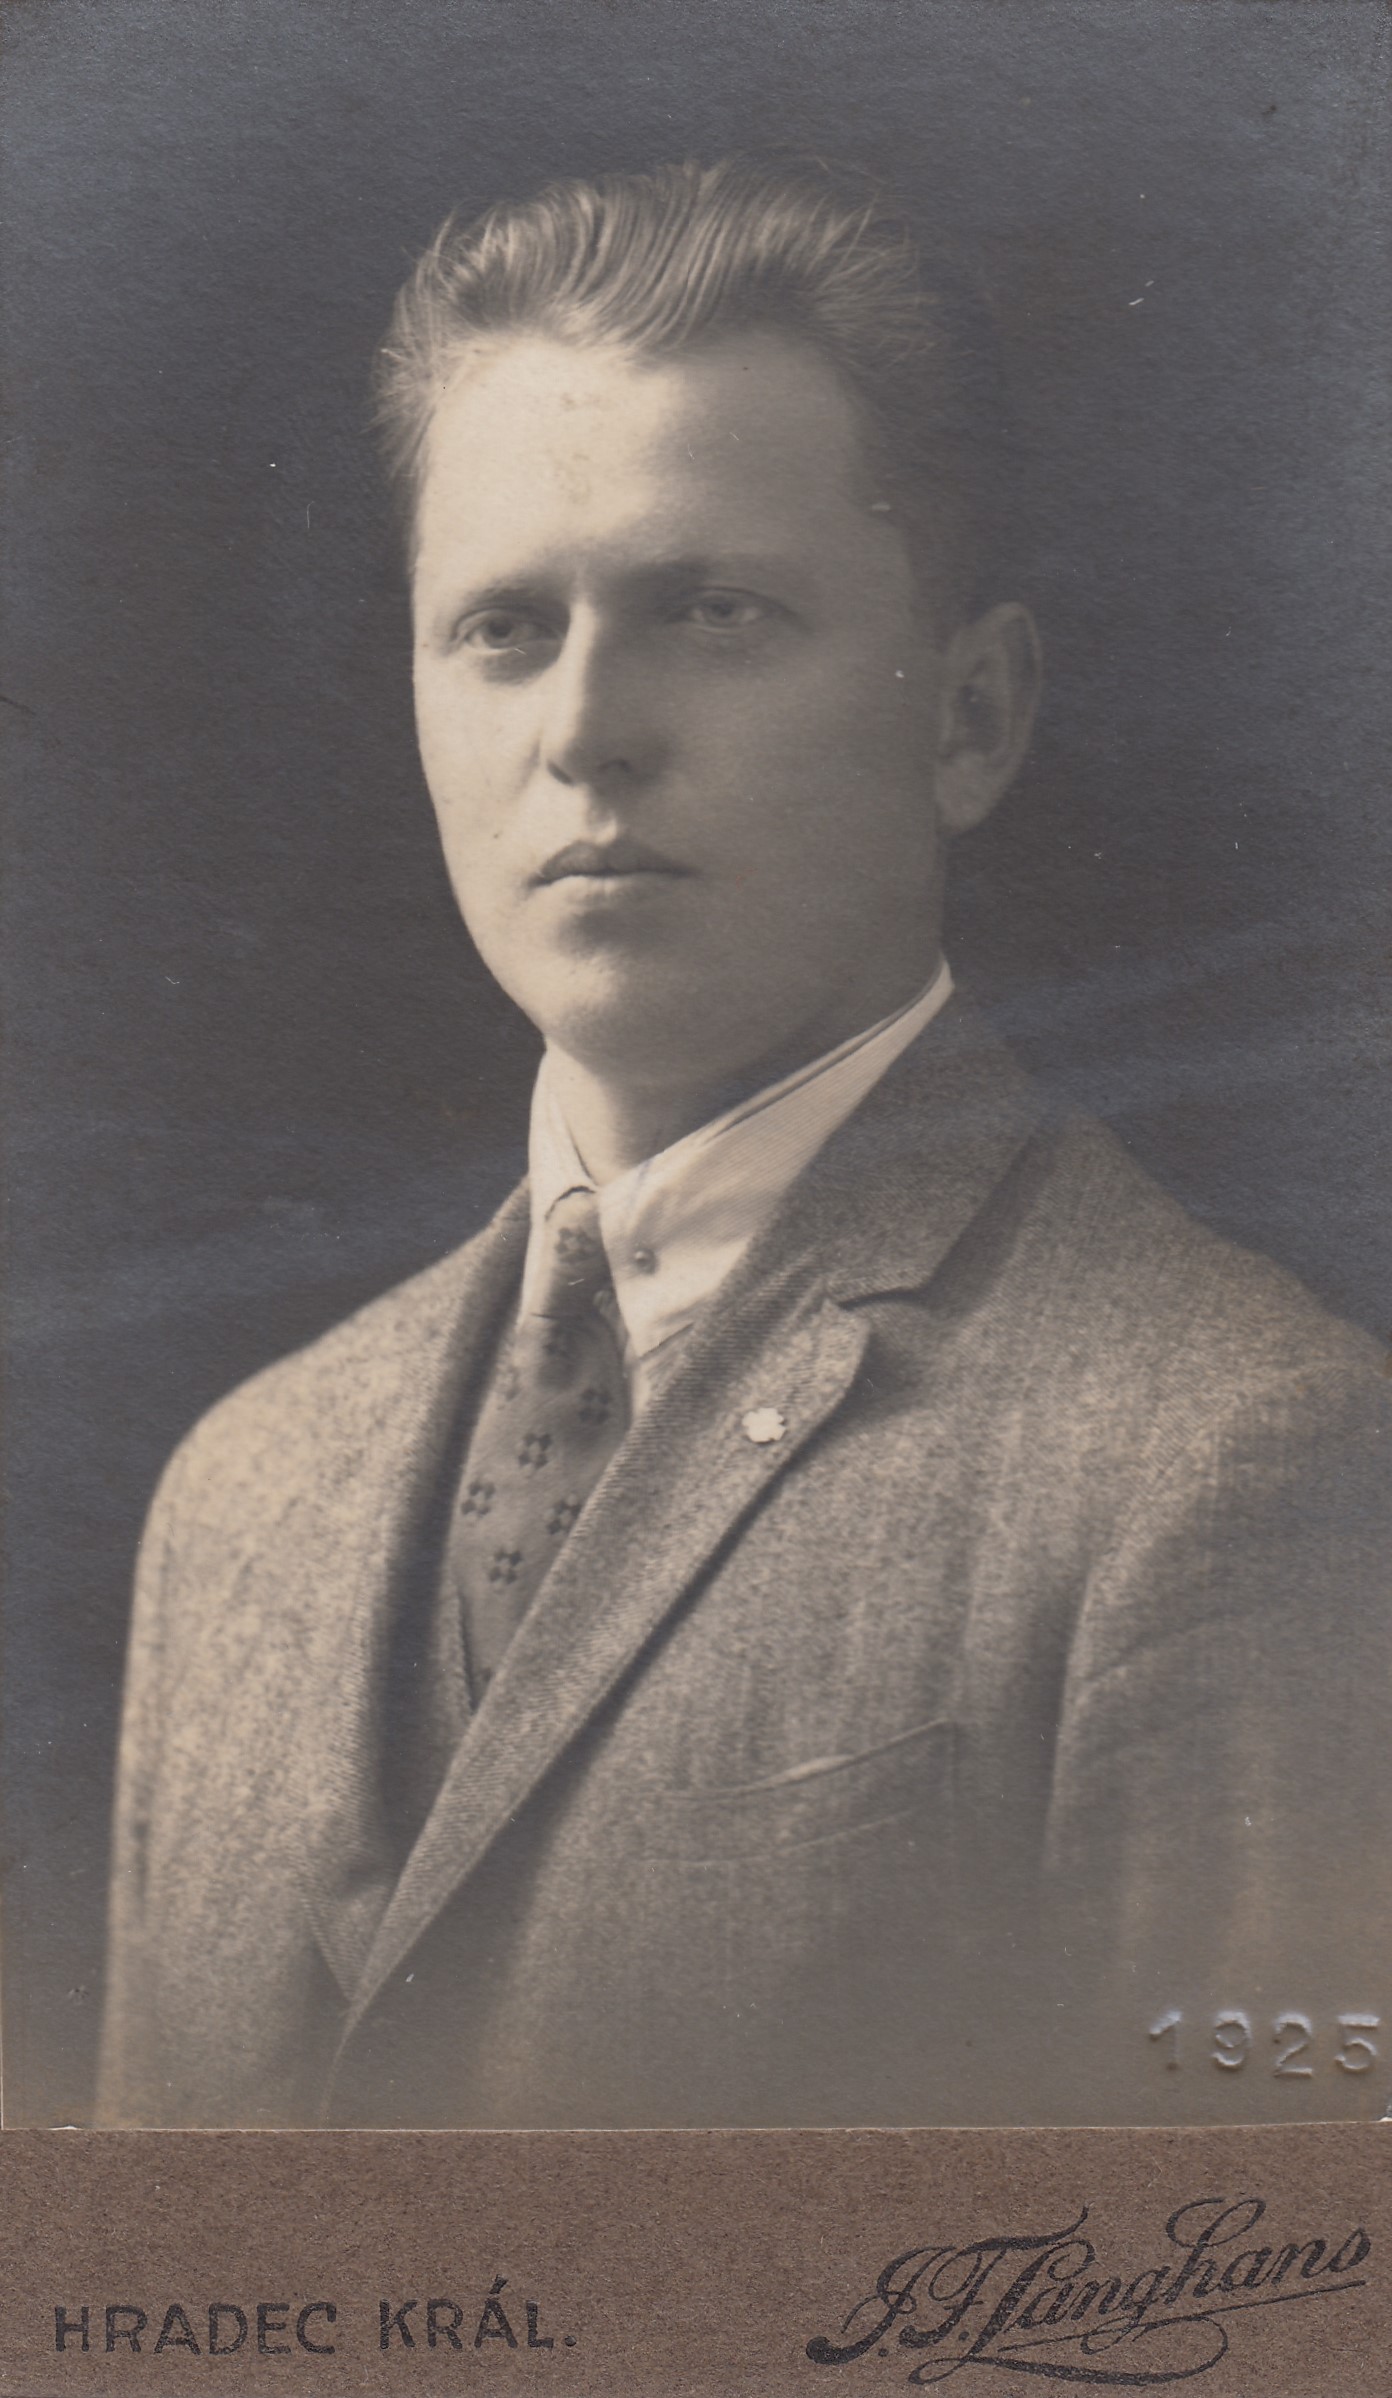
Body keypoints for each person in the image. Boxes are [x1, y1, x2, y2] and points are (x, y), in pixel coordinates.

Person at [97, 157, 1391, 2131]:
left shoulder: (1229, 1459)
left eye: (714, 612)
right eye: (503, 627)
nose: (587, 729)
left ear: (969, 717)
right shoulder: (243, 1491)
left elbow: (1244, 2279)